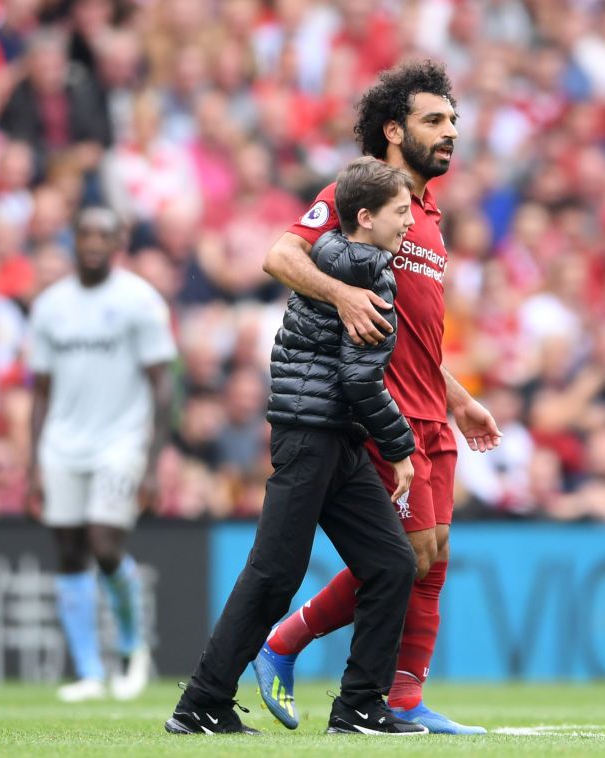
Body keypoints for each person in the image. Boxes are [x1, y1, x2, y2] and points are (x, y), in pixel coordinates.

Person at [256, 60, 501, 734]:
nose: (451, 132)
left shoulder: (428, 215)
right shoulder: (359, 194)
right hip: (386, 412)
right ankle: (284, 641)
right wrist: (341, 294)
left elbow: (413, 333)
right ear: (393, 130)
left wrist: (457, 399)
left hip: (432, 408)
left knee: (435, 553)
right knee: (406, 556)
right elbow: (280, 256)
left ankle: (406, 698)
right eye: (434, 120)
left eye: (453, 120)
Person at [166, 157, 425, 737]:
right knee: (275, 573)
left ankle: (359, 706)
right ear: (365, 217)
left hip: (329, 434)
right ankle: (202, 702)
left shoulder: (325, 257)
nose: (410, 223)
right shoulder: (370, 272)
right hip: (316, 435)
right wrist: (400, 446)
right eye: (400, 212)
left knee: (390, 563)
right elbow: (360, 379)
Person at [27, 207, 175, 702]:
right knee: (69, 551)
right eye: (85, 233)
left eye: (103, 235)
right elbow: (40, 392)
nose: (93, 242)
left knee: (104, 544)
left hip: (121, 441)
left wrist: (152, 462)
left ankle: (133, 649)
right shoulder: (50, 306)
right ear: (73, 239)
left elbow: (162, 386)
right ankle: (89, 672)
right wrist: (33, 463)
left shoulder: (140, 301)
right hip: (62, 444)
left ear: (118, 243)